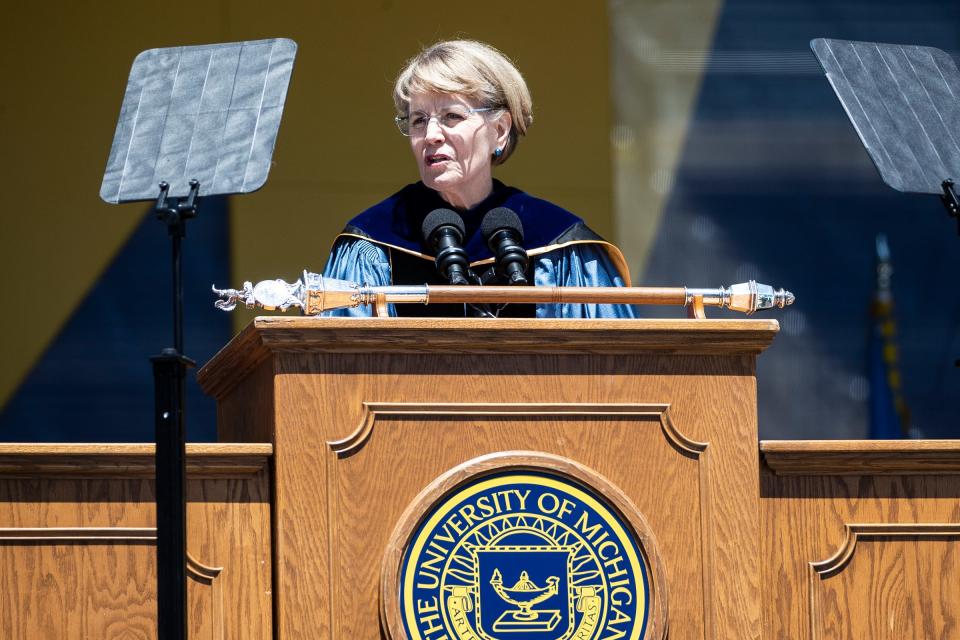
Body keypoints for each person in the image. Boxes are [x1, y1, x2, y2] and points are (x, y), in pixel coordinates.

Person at [322, 40, 637, 318]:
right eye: (418, 120)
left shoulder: (559, 244)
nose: (430, 135)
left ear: (499, 129)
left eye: (452, 116)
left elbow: (611, 371)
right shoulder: (372, 244)